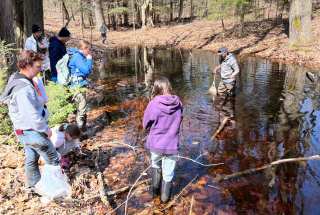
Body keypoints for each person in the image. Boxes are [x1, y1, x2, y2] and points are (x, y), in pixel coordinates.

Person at [0, 50, 59, 193]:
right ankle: (55, 189)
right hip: (32, 131)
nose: (40, 70)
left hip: (23, 130)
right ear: (27, 65)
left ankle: (34, 186)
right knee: (53, 158)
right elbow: (32, 115)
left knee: (32, 158)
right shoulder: (24, 89)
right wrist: (46, 129)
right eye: (38, 67)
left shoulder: (17, 77)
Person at [142, 77, 183, 203]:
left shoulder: (153, 103)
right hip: (172, 146)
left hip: (156, 144)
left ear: (156, 89)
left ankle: (155, 196)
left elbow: (145, 124)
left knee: (156, 165)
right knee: (168, 174)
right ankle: (165, 202)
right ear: (169, 87)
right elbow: (180, 119)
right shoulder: (178, 103)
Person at [68, 40, 93, 130]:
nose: (89, 51)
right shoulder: (78, 57)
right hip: (77, 86)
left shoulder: (80, 56)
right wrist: (89, 59)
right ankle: (79, 130)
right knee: (81, 108)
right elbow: (86, 70)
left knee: (82, 107)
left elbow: (87, 71)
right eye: (88, 49)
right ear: (83, 48)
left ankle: (82, 127)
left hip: (79, 85)